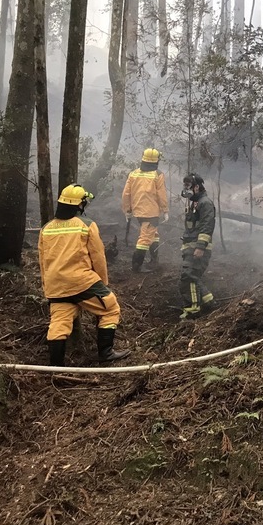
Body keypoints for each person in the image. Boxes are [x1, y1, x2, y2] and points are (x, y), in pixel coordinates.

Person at [38, 185, 130, 366]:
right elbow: (98, 256)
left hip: (55, 285)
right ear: (80, 205)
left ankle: (56, 367)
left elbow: (43, 261)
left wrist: (46, 287)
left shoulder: (46, 229)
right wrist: (103, 283)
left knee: (59, 322)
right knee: (110, 308)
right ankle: (106, 352)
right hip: (81, 281)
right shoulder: (86, 225)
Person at [122, 147, 169, 273]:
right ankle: (136, 266)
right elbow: (161, 194)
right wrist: (165, 210)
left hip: (138, 211)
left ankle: (154, 261)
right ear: (156, 161)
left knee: (153, 234)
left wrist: (127, 210)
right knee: (144, 239)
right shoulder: (157, 175)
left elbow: (126, 194)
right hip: (151, 212)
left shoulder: (133, 174)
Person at [179, 173, 216, 319]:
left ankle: (193, 311)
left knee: (188, 275)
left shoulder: (205, 203)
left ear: (197, 187)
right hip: (190, 245)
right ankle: (209, 302)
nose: (186, 189)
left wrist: (200, 246)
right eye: (185, 185)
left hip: (198, 247)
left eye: (188, 186)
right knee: (192, 275)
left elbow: (207, 225)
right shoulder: (195, 202)